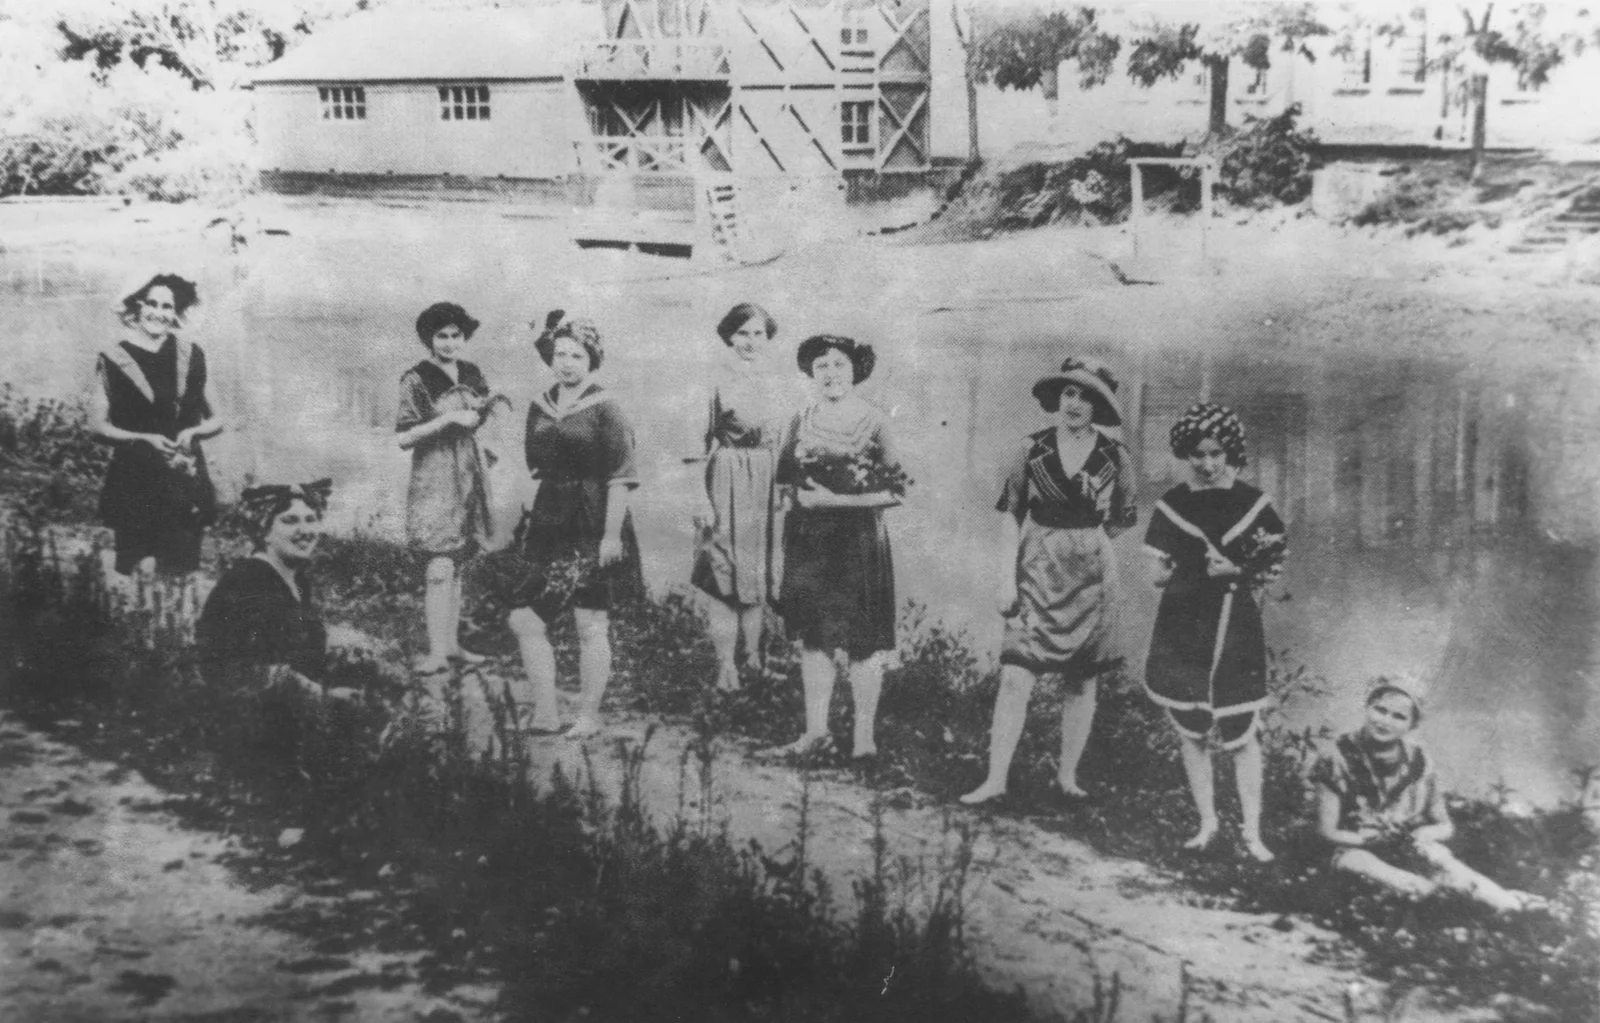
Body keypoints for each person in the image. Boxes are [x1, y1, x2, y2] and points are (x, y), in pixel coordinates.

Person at [961, 359, 1135, 806]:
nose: (1075, 403)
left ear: (1099, 405)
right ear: (1058, 397)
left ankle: (1067, 780)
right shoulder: (1029, 449)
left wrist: (1084, 541)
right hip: (1036, 567)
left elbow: (1121, 519)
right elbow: (1009, 515)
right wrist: (1006, 579)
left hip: (1092, 576)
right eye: (1069, 393)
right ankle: (996, 780)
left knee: (1081, 680)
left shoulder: (1115, 456)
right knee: (1016, 674)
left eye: (1087, 396)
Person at [1144, 403, 1286, 863]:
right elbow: (1157, 574)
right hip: (1183, 624)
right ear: (1186, 453)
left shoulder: (1253, 503)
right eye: (1198, 454)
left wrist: (1237, 569)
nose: (1207, 464)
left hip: (1234, 624)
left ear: (1231, 452)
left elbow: (1272, 569)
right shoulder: (1173, 505)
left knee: (1242, 731)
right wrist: (1168, 570)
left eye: (1216, 453)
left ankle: (1252, 833)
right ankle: (1207, 823)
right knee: (1192, 729)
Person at [765, 334, 907, 762]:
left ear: (855, 370)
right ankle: (816, 733)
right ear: (811, 373)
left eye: (839, 364)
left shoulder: (875, 422)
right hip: (810, 541)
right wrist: (782, 537)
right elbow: (783, 485)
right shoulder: (800, 419)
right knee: (814, 638)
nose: (830, 373)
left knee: (863, 642)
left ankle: (864, 741)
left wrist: (836, 500)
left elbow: (896, 492)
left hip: (859, 540)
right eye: (821, 366)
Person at [505, 312, 642, 741]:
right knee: (525, 618)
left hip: (594, 519)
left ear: (592, 359)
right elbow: (536, 465)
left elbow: (621, 477)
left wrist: (610, 535)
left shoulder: (607, 407)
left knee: (590, 622)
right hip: (550, 519)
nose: (566, 363)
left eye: (576, 356)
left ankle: (588, 716)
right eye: (560, 354)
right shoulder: (540, 404)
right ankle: (546, 712)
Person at [1311, 676, 1545, 913]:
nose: (1385, 721)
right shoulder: (1337, 756)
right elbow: (1325, 831)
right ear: (1367, 707)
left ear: (1412, 725)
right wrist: (1369, 839)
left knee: (1442, 861)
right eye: (1380, 710)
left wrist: (1423, 834)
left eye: (1399, 716)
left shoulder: (1419, 761)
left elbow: (1445, 826)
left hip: (1403, 848)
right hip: (1353, 849)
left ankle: (1509, 904)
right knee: (1381, 871)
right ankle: (1455, 901)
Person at [91, 272, 224, 581]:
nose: (158, 313)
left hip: (184, 479)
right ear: (137, 306)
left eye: (167, 307)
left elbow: (218, 419)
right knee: (137, 575)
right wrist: (143, 438)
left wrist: (194, 432)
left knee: (180, 575)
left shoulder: (192, 355)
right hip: (134, 480)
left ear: (175, 313)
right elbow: (96, 427)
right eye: (152, 304)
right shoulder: (113, 360)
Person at [691, 302, 789, 692]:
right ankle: (725, 668)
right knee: (724, 574)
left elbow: (786, 440)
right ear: (729, 336)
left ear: (768, 338)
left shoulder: (777, 381)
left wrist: (786, 486)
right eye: (743, 333)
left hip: (767, 481)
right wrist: (699, 497)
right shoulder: (714, 378)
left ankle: (753, 660)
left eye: (758, 334)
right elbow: (696, 445)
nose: (750, 341)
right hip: (727, 479)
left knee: (757, 574)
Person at [396, 302, 494, 674]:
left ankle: (451, 645)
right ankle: (436, 652)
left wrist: (479, 417)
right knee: (439, 564)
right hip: (435, 474)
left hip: (468, 470)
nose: (449, 343)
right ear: (429, 339)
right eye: (441, 336)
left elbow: (478, 418)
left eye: (456, 335)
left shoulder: (471, 372)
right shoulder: (416, 378)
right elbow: (404, 437)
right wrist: (449, 418)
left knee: (459, 564)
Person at [196, 478, 353, 701]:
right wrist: (322, 695)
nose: (305, 530)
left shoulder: (298, 581)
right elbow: (234, 671)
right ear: (264, 531)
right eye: (290, 521)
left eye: (311, 519)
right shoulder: (247, 582)